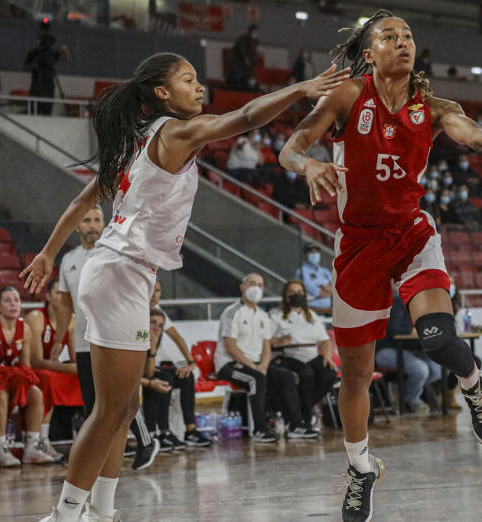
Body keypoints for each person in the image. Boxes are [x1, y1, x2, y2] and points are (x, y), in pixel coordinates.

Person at [22, 53, 348, 522]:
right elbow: (246, 116)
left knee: (124, 405)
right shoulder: (174, 133)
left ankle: (102, 510)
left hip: (122, 272)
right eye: (188, 80)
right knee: (111, 409)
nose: (199, 88)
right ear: (161, 93)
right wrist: (300, 90)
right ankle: (66, 514)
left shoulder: (139, 141)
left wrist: (49, 253)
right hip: (119, 272)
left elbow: (83, 198)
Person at [278, 10, 482, 519]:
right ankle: (360, 468)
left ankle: (474, 387)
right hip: (358, 246)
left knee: (437, 337)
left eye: (409, 35)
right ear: (369, 52)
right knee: (355, 375)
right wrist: (309, 164)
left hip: (412, 235)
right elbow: (290, 147)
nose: (403, 42)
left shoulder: (434, 107)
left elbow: (476, 137)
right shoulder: (347, 97)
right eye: (390, 36)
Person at [56, 206, 160, 473]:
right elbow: (66, 305)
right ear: (78, 226)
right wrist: (59, 340)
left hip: (114, 337)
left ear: (106, 222)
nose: (92, 225)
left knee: (121, 399)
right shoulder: (68, 260)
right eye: (86, 220)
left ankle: (146, 443)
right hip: (83, 342)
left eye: (97, 220)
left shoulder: (116, 253)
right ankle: (103, 462)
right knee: (95, 408)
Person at [214, 274, 319, 442]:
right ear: (242, 287)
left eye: (260, 285)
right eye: (252, 284)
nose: (256, 288)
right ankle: (260, 429)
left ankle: (295, 425)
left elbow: (266, 346)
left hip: (257, 364)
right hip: (230, 364)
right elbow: (231, 347)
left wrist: (263, 365)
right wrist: (255, 367)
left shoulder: (263, 315)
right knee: (257, 379)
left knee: (286, 376)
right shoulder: (231, 312)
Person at [0, 287, 54, 467]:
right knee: (0, 394)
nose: (13, 303)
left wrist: (20, 375)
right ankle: (0, 449)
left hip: (5, 376)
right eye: (7, 300)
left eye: (16, 299)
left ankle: (32, 447)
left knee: (36, 393)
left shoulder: (25, 329)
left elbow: (25, 365)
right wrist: (2, 372)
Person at [149, 281, 211, 447]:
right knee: (165, 378)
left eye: (158, 290)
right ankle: (163, 432)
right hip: (141, 366)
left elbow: (177, 338)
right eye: (151, 290)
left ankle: (190, 430)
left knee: (186, 376)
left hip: (154, 363)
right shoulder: (136, 312)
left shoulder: (159, 312)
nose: (155, 294)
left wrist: (190, 363)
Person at [25, 280, 78, 463]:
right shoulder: (36, 318)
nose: (64, 296)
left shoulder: (71, 320)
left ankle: (93, 436)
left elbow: (75, 359)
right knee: (48, 378)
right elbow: (36, 361)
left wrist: (79, 368)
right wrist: (68, 368)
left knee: (87, 379)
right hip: (30, 368)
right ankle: (42, 440)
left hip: (51, 367)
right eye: (58, 292)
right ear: (47, 296)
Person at [270, 280, 338, 421]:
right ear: (285, 296)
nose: (297, 295)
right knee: (306, 373)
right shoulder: (275, 315)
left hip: (311, 355)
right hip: (288, 356)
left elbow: (324, 340)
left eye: (300, 292)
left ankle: (300, 409)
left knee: (329, 373)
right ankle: (305, 416)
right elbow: (265, 341)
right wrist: (279, 341)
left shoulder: (311, 316)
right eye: (292, 292)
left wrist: (327, 356)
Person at [375, 293, 440, 414]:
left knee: (438, 369)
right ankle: (411, 399)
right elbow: (395, 330)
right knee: (421, 369)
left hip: (411, 349)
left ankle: (401, 390)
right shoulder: (398, 302)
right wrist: (417, 331)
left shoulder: (425, 305)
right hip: (386, 350)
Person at [140, 309, 178, 451]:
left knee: (178, 377)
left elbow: (148, 371)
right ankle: (150, 433)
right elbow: (145, 374)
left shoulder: (154, 338)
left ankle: (164, 431)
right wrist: (150, 382)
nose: (156, 328)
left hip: (145, 371)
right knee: (160, 379)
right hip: (122, 376)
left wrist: (153, 348)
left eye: (160, 325)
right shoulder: (138, 335)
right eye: (152, 323)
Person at [24, 21, 69, 115]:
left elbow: (65, 58)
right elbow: (26, 66)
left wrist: (65, 51)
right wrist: (34, 66)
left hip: (48, 87)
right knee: (33, 111)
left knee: (47, 112)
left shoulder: (52, 53)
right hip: (37, 87)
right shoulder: (34, 52)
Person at [295, 244, 333, 310]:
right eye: (311, 252)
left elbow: (336, 289)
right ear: (305, 255)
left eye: (316, 252)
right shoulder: (302, 272)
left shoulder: (325, 271)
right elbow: (318, 293)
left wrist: (322, 286)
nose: (315, 254)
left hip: (329, 310)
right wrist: (327, 288)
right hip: (311, 310)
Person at [227, 23, 260, 91]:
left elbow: (253, 55)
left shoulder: (255, 41)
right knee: (238, 82)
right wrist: (247, 60)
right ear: (250, 31)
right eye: (255, 32)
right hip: (238, 67)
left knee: (250, 84)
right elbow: (244, 53)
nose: (256, 34)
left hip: (246, 69)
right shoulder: (243, 39)